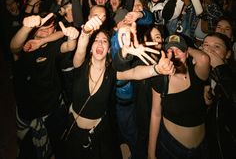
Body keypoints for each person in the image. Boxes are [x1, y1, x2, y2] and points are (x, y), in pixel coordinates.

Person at [64, 16, 174, 159]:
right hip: (74, 128)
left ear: (109, 49)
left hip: (99, 132)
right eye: (96, 40)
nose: (100, 44)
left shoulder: (111, 73)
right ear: (91, 48)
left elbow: (134, 73)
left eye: (104, 41)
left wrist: (156, 69)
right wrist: (85, 32)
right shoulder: (80, 65)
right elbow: (80, 48)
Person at [10, 12, 79, 159]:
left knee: (59, 146)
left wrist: (72, 37)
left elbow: (68, 45)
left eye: (49, 27)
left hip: (53, 108)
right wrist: (26, 27)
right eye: (41, 26)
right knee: (28, 152)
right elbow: (14, 48)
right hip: (28, 113)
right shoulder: (25, 44)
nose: (45, 29)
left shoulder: (52, 46)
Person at [148, 34, 210, 159]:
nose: (174, 54)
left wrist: (187, 49)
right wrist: (151, 153)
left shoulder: (197, 73)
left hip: (202, 148)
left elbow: (204, 58)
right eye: (170, 50)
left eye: (179, 50)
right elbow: (155, 114)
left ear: (187, 53)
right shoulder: (161, 79)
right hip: (172, 147)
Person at [201, 32, 236, 159]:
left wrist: (219, 67)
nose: (209, 50)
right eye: (205, 45)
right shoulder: (201, 75)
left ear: (228, 54)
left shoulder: (230, 75)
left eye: (216, 46)